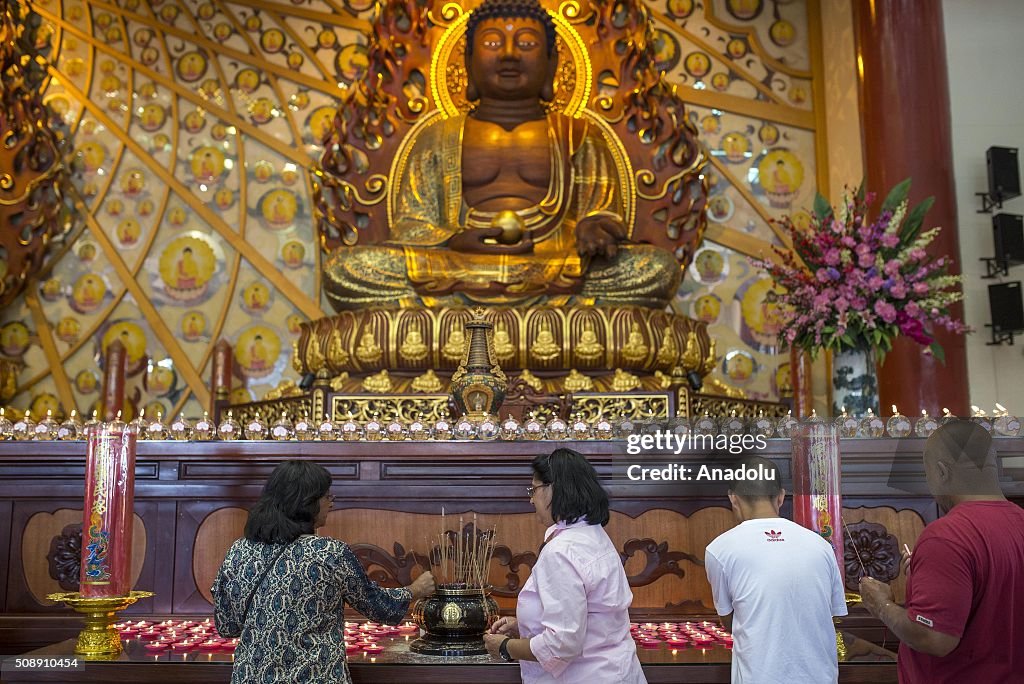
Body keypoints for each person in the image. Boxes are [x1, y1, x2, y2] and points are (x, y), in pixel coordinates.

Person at [323, 0, 681, 309]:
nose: (509, 54)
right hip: (458, 268)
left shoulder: (581, 135)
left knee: (655, 269)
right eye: (493, 42)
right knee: (348, 270)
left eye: (526, 44)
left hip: (554, 268)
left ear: (551, 62)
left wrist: (593, 228)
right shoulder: (436, 138)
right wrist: (453, 240)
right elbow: (412, 225)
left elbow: (602, 213)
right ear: (467, 60)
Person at [212, 460, 435, 684]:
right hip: (315, 676)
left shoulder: (239, 551)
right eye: (327, 497)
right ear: (306, 502)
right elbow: (378, 606)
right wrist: (414, 590)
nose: (331, 503)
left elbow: (227, 626)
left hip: (251, 676)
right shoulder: (329, 553)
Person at [859, 419, 1024, 683]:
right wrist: (936, 576)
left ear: (941, 472)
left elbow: (934, 638)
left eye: (927, 475)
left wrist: (880, 604)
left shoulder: (948, 535)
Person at [484, 448, 645, 683]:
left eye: (534, 489)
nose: (531, 499)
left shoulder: (562, 551)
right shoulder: (592, 534)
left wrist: (506, 647)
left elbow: (563, 643)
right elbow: (586, 615)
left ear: (553, 490)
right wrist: (526, 626)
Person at [704, 455, 847, 683]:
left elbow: (730, 620)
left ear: (733, 498)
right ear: (781, 497)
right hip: (820, 676)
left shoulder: (719, 550)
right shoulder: (821, 546)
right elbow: (831, 613)